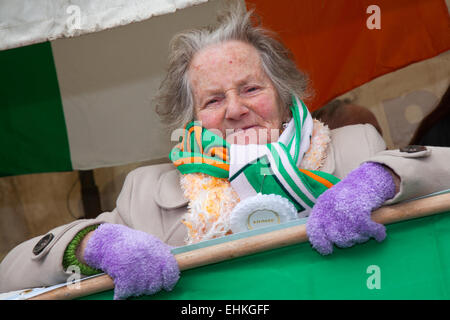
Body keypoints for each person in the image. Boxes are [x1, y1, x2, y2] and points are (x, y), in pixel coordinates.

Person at [1, 2, 449, 300]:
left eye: (251, 88)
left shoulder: (354, 150)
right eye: (213, 100)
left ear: (283, 94)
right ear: (189, 121)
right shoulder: (148, 193)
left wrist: (384, 179)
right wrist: (91, 245)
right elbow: (11, 276)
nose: (235, 110)